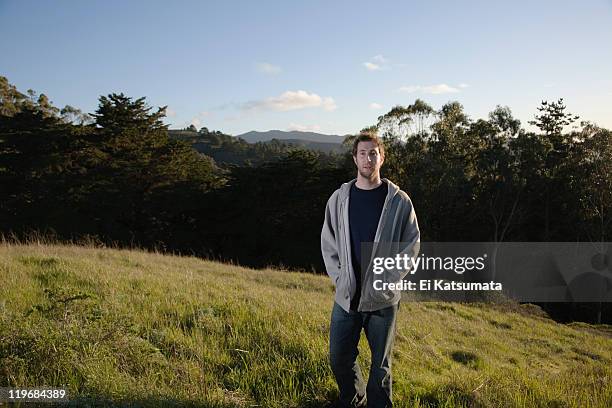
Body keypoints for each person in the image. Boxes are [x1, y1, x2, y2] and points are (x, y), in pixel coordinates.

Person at [321, 132, 420, 407]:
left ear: (382, 157)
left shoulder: (399, 201)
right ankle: (354, 399)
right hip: (347, 297)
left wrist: (389, 280)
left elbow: (411, 245)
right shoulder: (339, 198)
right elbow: (328, 242)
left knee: (381, 366)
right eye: (363, 153)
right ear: (355, 158)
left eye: (373, 153)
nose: (368, 158)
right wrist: (340, 277)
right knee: (339, 356)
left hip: (383, 301)